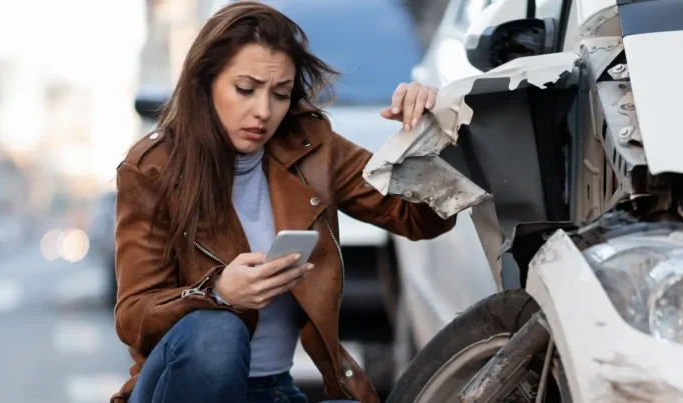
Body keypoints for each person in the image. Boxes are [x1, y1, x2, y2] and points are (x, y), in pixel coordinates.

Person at [111, 2, 456, 403]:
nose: (263, 111)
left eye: (280, 94)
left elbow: (421, 220)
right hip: (178, 389)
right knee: (216, 334)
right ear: (205, 84)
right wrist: (220, 293)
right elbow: (133, 315)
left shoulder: (310, 147)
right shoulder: (152, 168)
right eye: (245, 89)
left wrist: (426, 135)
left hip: (274, 390)